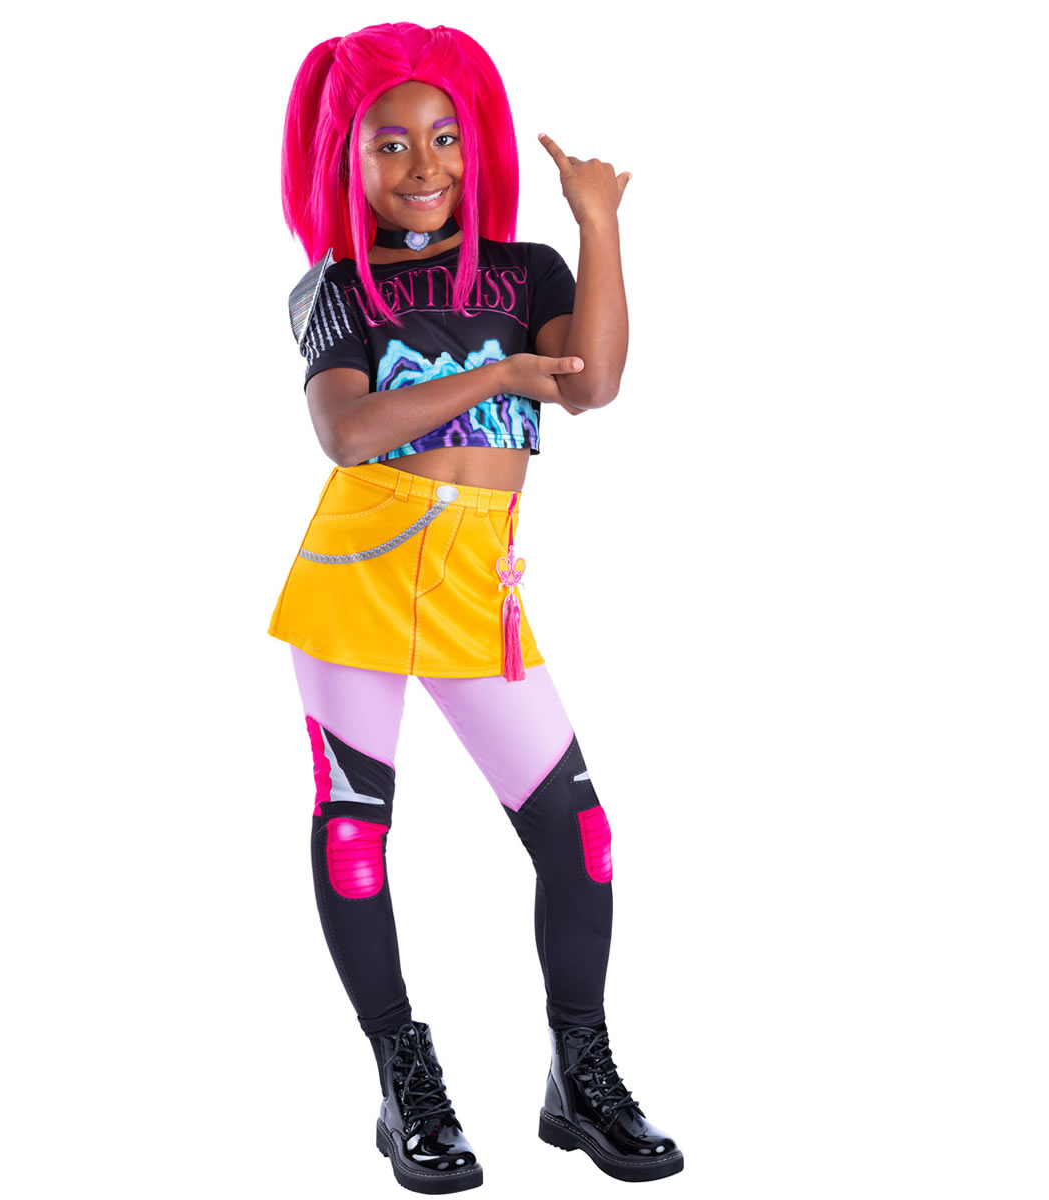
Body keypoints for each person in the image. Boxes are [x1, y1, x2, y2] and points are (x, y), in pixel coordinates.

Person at [268, 22, 683, 1191]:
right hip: (357, 576)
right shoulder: (335, 289)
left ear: (478, 143)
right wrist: (495, 376)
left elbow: (595, 383)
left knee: (578, 838)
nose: (424, 165)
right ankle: (406, 1081)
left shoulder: (526, 271)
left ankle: (579, 1076)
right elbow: (348, 431)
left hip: (474, 587)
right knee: (356, 835)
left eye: (445, 137)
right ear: (345, 159)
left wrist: (597, 223)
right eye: (390, 143)